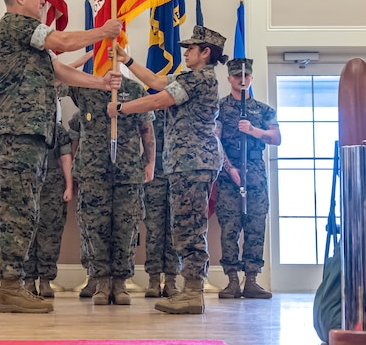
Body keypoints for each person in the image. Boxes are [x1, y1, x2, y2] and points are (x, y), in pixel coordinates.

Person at [0, 0, 122, 314]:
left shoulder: (29, 40)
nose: (43, 0)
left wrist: (100, 83)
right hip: (15, 132)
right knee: (15, 211)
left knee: (25, 210)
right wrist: (103, 32)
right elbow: (60, 43)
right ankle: (10, 287)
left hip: (28, 133)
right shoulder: (13, 24)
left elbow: (58, 69)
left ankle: (14, 285)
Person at [108, 25, 227, 314]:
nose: (186, 52)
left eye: (191, 48)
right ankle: (189, 290)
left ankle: (193, 292)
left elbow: (159, 100)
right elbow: (157, 82)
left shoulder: (201, 79)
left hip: (194, 163)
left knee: (190, 228)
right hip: (185, 164)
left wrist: (122, 109)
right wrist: (127, 60)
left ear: (205, 52)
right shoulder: (190, 77)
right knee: (183, 227)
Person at [68, 76, 155, 306]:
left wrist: (150, 162)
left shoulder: (134, 88)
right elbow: (56, 80)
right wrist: (87, 54)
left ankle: (119, 283)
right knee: (95, 228)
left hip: (127, 171)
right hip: (93, 171)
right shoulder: (84, 85)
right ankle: (102, 281)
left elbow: (146, 128)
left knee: (126, 228)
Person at [215, 58, 281, 300]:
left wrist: (253, 130)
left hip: (255, 174)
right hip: (229, 174)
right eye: (236, 76)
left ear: (251, 78)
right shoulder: (219, 108)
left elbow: (276, 137)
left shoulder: (263, 110)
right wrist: (230, 169)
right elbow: (216, 142)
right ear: (229, 78)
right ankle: (232, 280)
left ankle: (251, 279)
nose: (241, 80)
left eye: (246, 76)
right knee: (229, 228)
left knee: (255, 226)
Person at [22, 115, 73, 299]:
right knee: (26, 232)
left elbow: (65, 158)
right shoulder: (24, 126)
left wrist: (69, 185)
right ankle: (28, 280)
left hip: (52, 185)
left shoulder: (57, 130)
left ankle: (45, 280)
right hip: (27, 184)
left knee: (50, 234)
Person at [142, 110, 181, 298]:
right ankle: (154, 280)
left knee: (175, 229)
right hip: (155, 174)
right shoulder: (150, 113)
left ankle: (171, 280)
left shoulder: (182, 112)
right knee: (154, 229)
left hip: (178, 173)